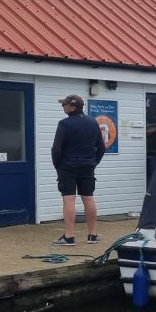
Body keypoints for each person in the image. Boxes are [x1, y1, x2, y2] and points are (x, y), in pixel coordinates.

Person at [52, 94, 105, 246]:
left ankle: (69, 237)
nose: (63, 107)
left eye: (65, 105)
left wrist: (58, 165)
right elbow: (101, 147)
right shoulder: (93, 123)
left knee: (69, 199)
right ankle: (92, 235)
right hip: (87, 166)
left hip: (67, 166)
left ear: (73, 107)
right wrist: (94, 163)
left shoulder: (64, 124)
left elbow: (56, 149)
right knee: (88, 197)